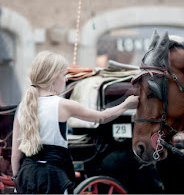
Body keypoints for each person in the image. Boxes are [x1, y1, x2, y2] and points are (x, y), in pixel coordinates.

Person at [11, 50, 139, 194]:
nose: (65, 79)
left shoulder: (23, 106)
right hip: (52, 178)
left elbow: (16, 155)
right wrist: (126, 105)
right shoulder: (63, 105)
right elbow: (102, 117)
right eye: (63, 74)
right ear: (53, 77)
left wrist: (17, 178)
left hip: (26, 176)